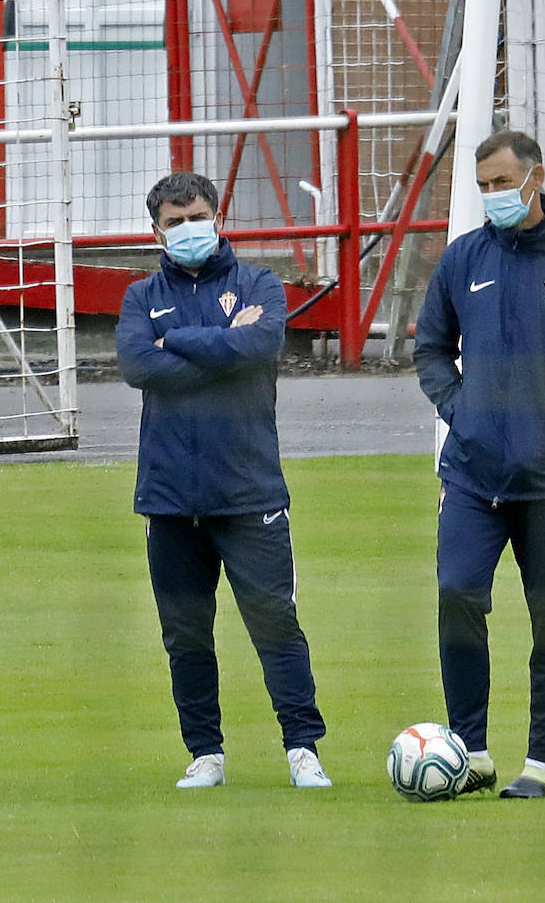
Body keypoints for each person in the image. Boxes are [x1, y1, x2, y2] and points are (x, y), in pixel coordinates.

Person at [413, 130, 545, 799]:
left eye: (502, 183)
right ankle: (470, 754)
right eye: (482, 186)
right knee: (456, 597)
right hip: (473, 476)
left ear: (535, 179)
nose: (492, 197)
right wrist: (464, 413)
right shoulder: (461, 261)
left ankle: (539, 766)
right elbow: (429, 349)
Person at [115, 172, 330, 790]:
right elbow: (137, 364)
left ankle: (302, 748)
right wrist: (219, 349)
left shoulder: (258, 283)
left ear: (218, 217)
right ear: (156, 229)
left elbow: (261, 346)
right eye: (176, 221)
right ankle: (205, 752)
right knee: (185, 632)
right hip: (170, 496)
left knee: (275, 621)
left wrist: (176, 342)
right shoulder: (139, 297)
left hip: (249, 490)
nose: (189, 229)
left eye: (198, 216)